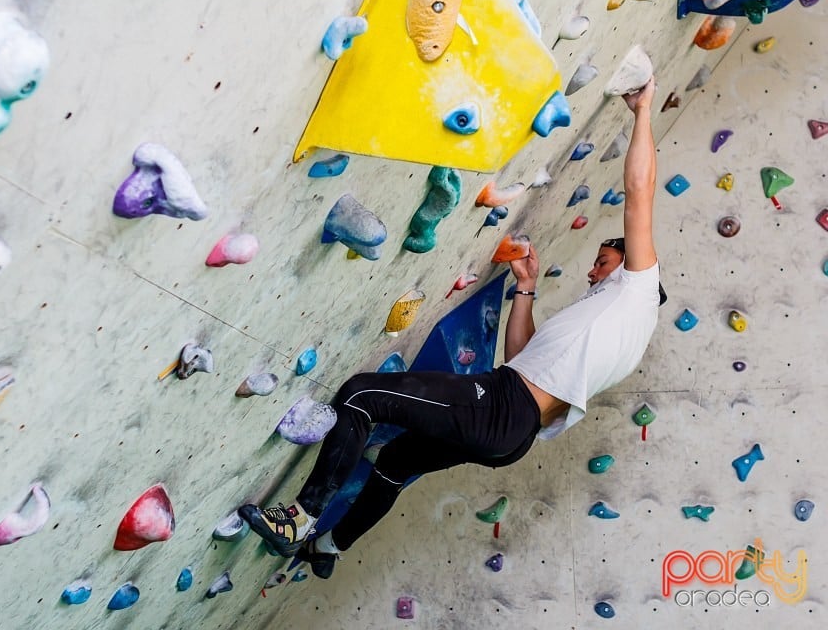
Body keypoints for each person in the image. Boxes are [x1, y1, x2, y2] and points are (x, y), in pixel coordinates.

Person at [239, 79, 664, 579]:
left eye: (603, 261)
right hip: (514, 432)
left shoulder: (637, 288)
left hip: (504, 407)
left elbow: (639, 193)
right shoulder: (622, 336)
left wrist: (642, 112)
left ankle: (300, 518)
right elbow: (524, 359)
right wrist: (524, 289)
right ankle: (329, 547)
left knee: (360, 396)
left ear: (631, 264)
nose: (593, 272)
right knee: (396, 462)